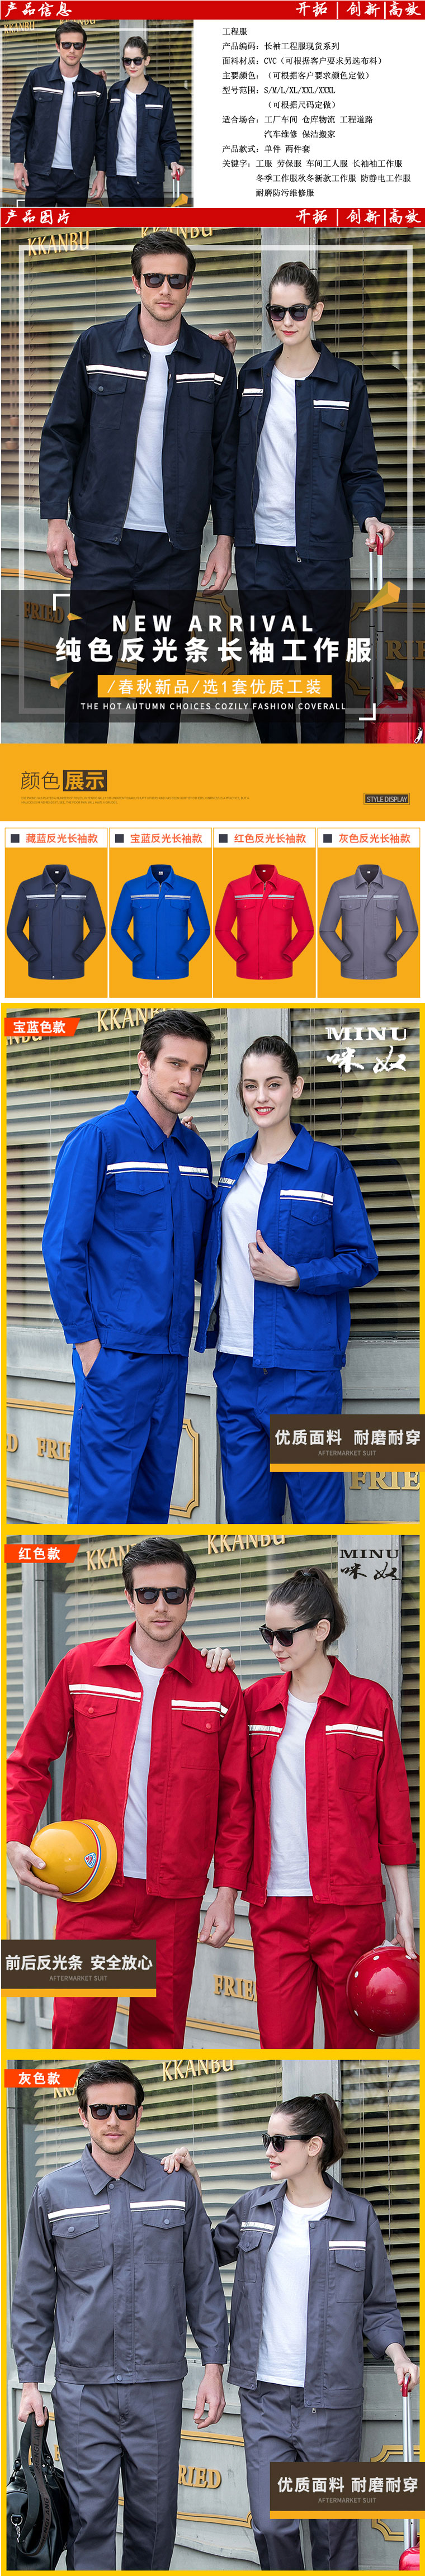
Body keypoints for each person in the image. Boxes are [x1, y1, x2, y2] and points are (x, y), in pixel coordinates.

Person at [6, 1537, 253, 2052]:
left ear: (191, 1598)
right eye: (147, 1594)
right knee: (76, 2037)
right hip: (91, 1889)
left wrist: (227, 1891)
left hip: (174, 1898)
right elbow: (30, 1761)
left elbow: (235, 1799)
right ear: (128, 1597)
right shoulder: (83, 1668)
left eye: (173, 1594)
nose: (161, 1606)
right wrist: (15, 1838)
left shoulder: (218, 1686)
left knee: (159, 2042)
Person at [164, 2093, 419, 2572]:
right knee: (271, 2526)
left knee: (332, 2534)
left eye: (279, 2141)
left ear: (314, 2146)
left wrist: (398, 2355)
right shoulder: (254, 2208)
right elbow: (202, 2255)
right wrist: (192, 2187)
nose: (269, 2150)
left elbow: (378, 2304)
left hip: (331, 2402)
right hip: (265, 2398)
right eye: (267, 2139)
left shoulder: (357, 2217)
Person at [11, 2059, 229, 2572]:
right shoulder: (53, 2194)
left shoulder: (176, 2188)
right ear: (82, 2115)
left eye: (124, 2111)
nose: (113, 2121)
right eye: (101, 2110)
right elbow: (33, 2296)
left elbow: (202, 2282)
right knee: (89, 2522)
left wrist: (214, 2367)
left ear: (140, 2114)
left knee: (155, 2522)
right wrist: (30, 2382)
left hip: (156, 2386)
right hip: (83, 2391)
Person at [39, 231, 238, 743]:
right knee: (89, 678)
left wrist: (224, 540)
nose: (165, 289)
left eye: (177, 280)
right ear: (136, 282)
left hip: (174, 548)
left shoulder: (214, 361)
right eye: (154, 279)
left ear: (190, 286)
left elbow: (226, 458)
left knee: (161, 685)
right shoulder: (96, 345)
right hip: (100, 544)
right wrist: (57, 520)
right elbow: (62, 434)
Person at [196, 1031, 378, 1524]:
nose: (261, 1097)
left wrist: (295, 1275)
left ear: (295, 1088)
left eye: (273, 1084)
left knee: (319, 1519)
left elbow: (361, 1260)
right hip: (236, 1367)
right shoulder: (232, 1164)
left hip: (303, 1376)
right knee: (247, 1521)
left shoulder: (328, 1167)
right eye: (250, 1086)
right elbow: (208, 1249)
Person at [41, 1007, 215, 1523]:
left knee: (152, 1507)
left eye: (198, 1069)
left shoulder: (195, 1152)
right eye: (176, 1065)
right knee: (101, 1509)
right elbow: (62, 1249)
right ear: (145, 1063)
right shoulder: (99, 1140)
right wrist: (87, 1345)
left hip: (171, 1359)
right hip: (115, 1358)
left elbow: (200, 1254)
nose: (187, 1081)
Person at [243, 1565, 417, 2047]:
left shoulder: (370, 1704)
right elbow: (231, 1801)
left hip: (350, 1910)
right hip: (275, 1906)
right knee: (280, 2044)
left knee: (354, 2045)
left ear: (321, 1631)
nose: (275, 1647)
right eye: (267, 1635)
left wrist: (404, 1913)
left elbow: (392, 1815)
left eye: (284, 1635)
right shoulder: (253, 1704)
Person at [234, 260, 394, 744]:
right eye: (277, 311)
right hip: (260, 554)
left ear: (317, 311)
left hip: (321, 555)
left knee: (323, 680)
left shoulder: (345, 381)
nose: (287, 322)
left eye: (298, 311)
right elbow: (222, 452)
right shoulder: (251, 375)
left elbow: (360, 467)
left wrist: (370, 517)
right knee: (270, 682)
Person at [10, 22, 106, 210]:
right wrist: (18, 163)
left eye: (77, 45)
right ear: (57, 46)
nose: (72, 50)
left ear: (84, 48)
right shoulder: (38, 78)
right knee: (37, 227)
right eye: (66, 44)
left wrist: (101, 173)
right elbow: (20, 122)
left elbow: (102, 132)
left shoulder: (96, 85)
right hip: (39, 175)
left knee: (72, 229)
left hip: (77, 178)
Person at [106, 36, 183, 209]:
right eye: (127, 61)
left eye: (137, 60)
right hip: (118, 179)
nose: (132, 66)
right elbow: (104, 133)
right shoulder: (115, 93)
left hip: (149, 180)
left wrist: (173, 162)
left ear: (146, 60)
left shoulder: (161, 95)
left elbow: (168, 137)